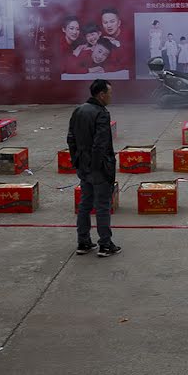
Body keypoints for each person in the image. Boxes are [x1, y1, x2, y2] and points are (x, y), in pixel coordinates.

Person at [67, 79, 121, 257]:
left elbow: (71, 138)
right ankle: (105, 244)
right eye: (110, 93)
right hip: (98, 167)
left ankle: (83, 242)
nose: (111, 97)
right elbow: (100, 144)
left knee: (85, 204)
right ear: (101, 94)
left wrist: (77, 160)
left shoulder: (79, 110)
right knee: (102, 206)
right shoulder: (102, 113)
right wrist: (98, 166)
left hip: (83, 164)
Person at [100, 7, 129, 74]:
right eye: (105, 22)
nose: (109, 25)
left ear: (119, 23)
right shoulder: (102, 39)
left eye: (112, 21)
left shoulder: (128, 38)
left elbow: (127, 65)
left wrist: (118, 45)